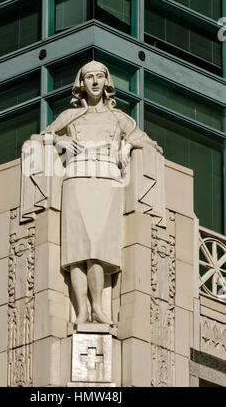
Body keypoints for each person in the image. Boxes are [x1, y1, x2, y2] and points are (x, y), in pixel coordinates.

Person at [22, 61, 163, 325]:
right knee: (76, 251)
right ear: (81, 83)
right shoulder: (70, 117)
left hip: (107, 183)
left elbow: (150, 144)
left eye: (100, 77)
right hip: (76, 181)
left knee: (98, 248)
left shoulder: (120, 119)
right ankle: (81, 311)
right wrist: (57, 139)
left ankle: (97, 306)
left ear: (107, 82)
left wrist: (128, 144)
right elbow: (36, 140)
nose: (95, 82)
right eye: (89, 77)